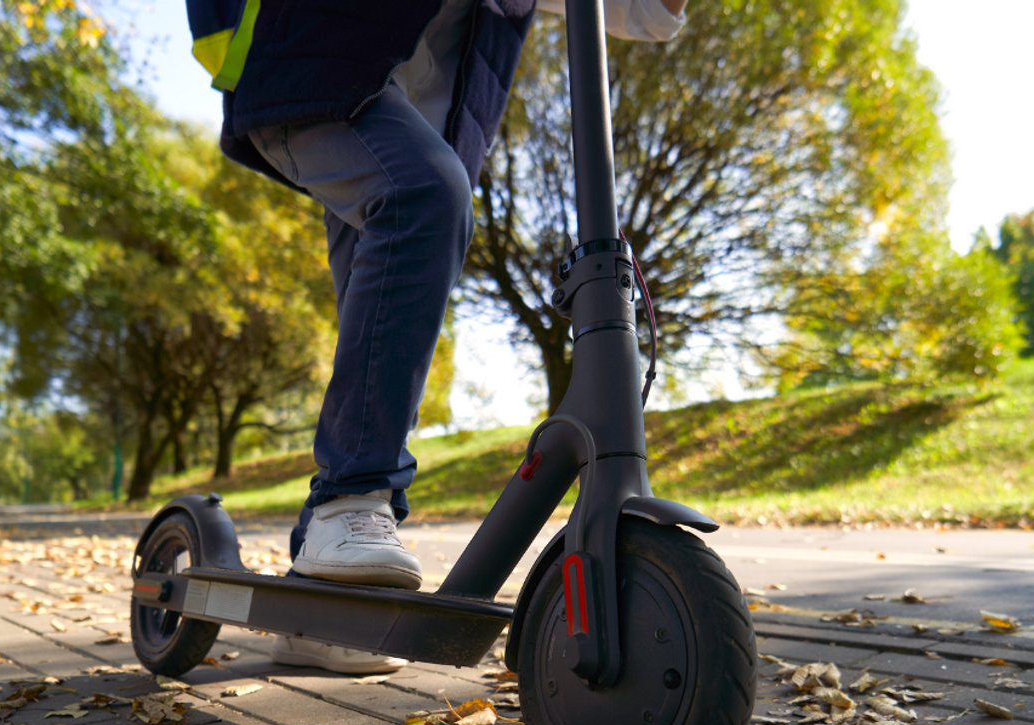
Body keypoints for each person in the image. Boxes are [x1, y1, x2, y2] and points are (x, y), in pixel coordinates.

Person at [186, 0, 686, 673]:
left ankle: (317, 597)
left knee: (383, 325)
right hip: (311, 69)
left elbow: (641, 12)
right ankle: (349, 503)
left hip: (408, 121)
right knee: (426, 197)